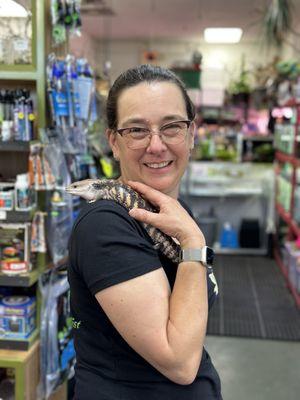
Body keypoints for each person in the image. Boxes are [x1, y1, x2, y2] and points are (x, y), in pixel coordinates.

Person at [68, 64, 222, 399]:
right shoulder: (105, 225)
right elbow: (179, 362)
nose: (156, 145)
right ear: (114, 141)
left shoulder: (174, 213)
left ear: (191, 134)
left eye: (172, 127)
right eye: (137, 130)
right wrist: (194, 243)